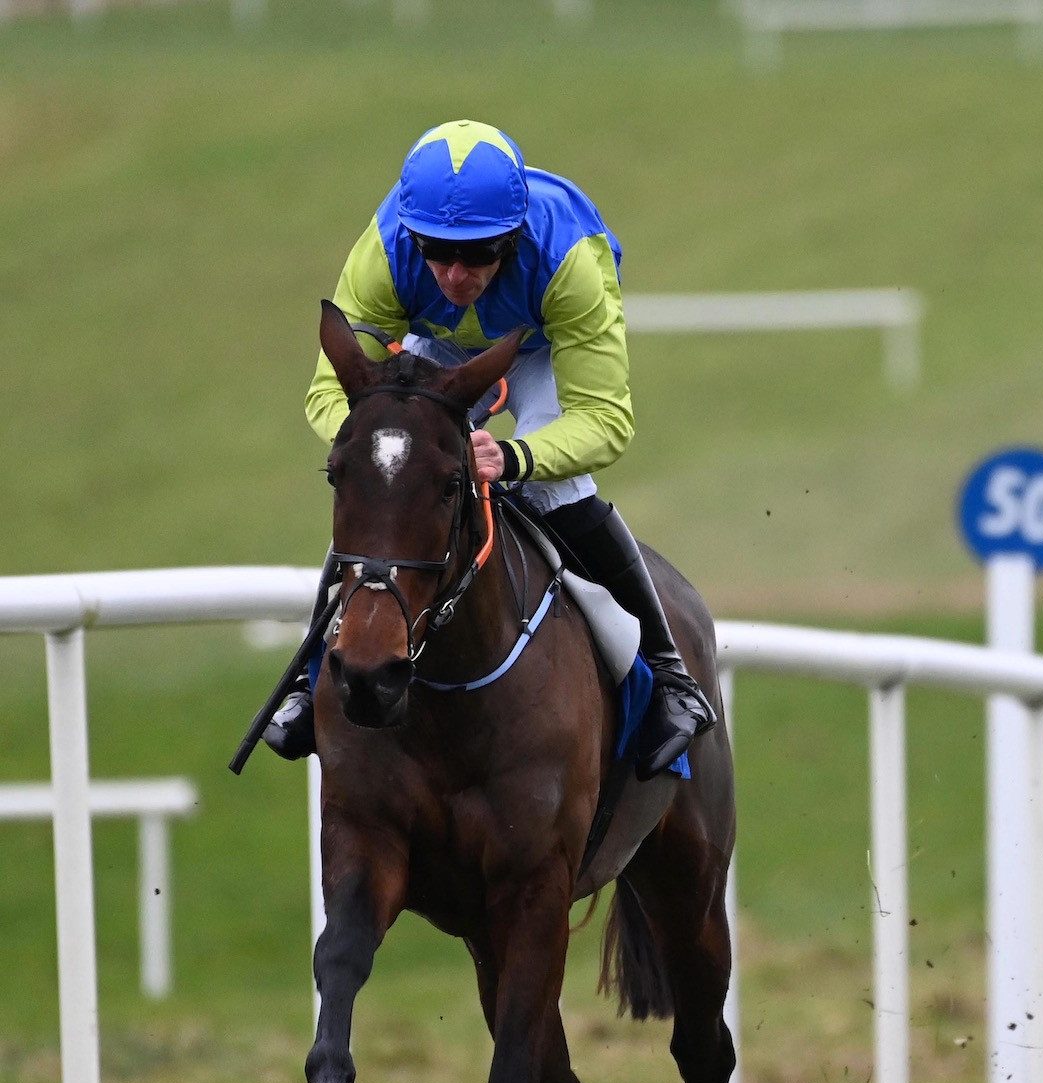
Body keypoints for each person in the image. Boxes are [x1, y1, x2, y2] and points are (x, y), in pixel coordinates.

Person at [263, 119, 713, 777]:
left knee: (554, 486)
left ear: (515, 237)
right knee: (390, 483)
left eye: (478, 255)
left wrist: (516, 457)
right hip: (435, 353)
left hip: (541, 347)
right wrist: (385, 447)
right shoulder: (385, 252)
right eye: (436, 253)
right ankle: (309, 680)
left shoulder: (570, 260)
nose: (454, 274)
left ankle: (671, 674)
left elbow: (606, 420)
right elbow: (330, 395)